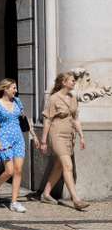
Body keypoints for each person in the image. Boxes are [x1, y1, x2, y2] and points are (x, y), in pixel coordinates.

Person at [39, 72, 90, 210]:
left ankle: (46, 194)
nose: (74, 83)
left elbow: (75, 119)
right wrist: (43, 141)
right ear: (64, 82)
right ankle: (76, 200)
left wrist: (81, 135)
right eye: (72, 80)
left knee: (59, 166)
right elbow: (48, 120)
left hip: (69, 136)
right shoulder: (54, 98)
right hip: (57, 135)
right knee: (68, 166)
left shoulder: (73, 98)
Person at [0, 78, 39, 213]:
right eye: (13, 88)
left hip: (18, 139)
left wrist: (33, 134)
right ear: (5, 89)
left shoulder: (17, 101)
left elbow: (24, 119)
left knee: (18, 170)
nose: (16, 90)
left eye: (15, 88)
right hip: (4, 139)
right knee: (9, 171)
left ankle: (14, 202)